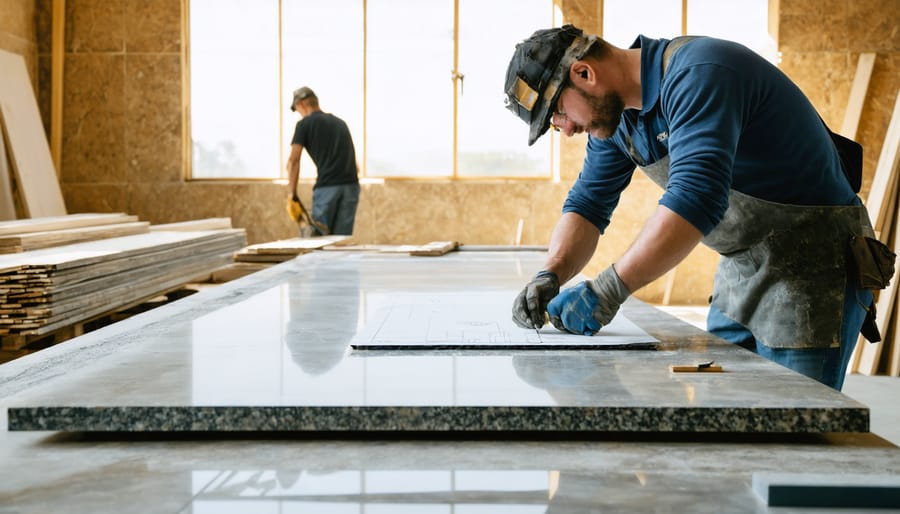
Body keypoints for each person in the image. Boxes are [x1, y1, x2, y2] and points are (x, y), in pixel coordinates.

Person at [504, 25, 891, 390]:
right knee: (723, 417)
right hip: (743, 269)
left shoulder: (701, 73)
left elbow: (696, 197)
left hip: (814, 270)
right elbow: (589, 203)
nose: (567, 129)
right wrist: (551, 273)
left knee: (795, 435)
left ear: (584, 73)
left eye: (559, 114)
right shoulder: (618, 119)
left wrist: (608, 289)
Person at [286, 86, 360, 235]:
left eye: (298, 110)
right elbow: (356, 165)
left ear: (301, 104)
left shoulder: (304, 125)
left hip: (328, 188)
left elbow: (293, 161)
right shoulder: (340, 123)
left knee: (318, 240)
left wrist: (292, 194)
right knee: (340, 240)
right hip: (351, 187)